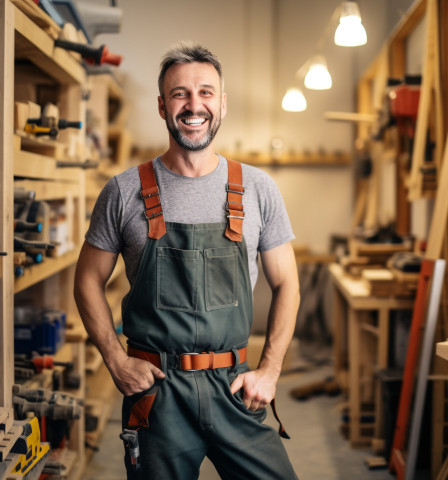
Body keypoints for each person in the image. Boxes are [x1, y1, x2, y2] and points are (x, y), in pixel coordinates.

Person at [74, 41, 300, 480]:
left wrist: (270, 370)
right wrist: (116, 361)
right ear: (162, 106)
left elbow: (287, 283)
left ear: (222, 104)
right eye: (180, 94)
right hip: (158, 394)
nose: (193, 105)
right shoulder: (123, 192)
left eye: (206, 92)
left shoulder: (256, 188)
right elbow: (86, 280)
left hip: (234, 387)